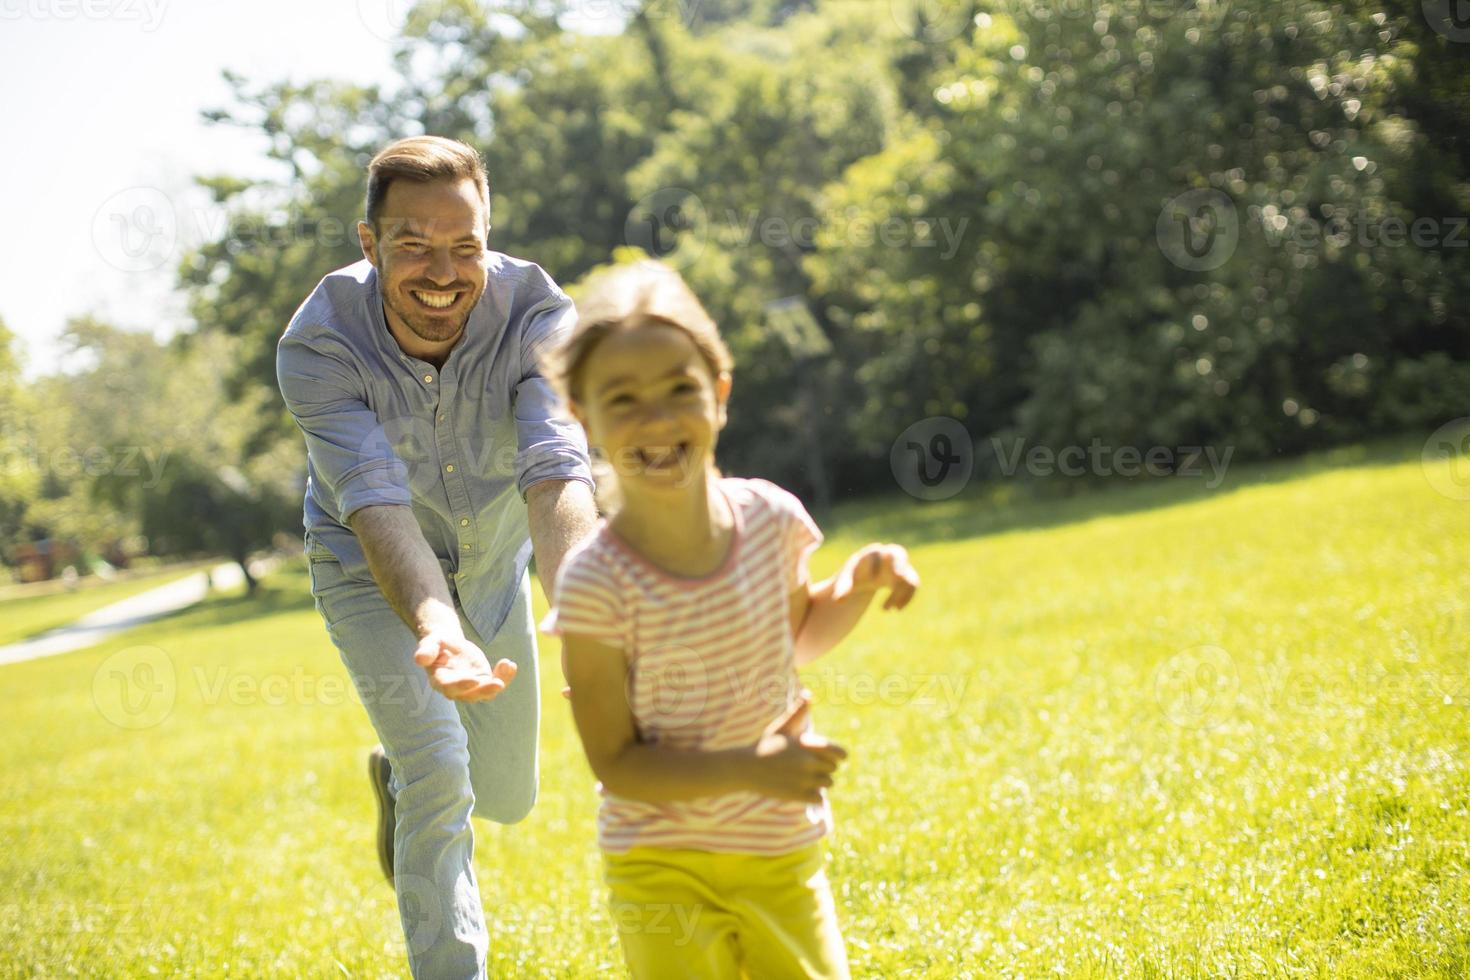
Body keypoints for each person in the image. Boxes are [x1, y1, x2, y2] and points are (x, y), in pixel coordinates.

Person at [539, 260, 920, 978]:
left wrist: (857, 583)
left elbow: (798, 637)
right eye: (623, 399)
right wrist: (750, 769)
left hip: (778, 845)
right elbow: (616, 765)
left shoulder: (771, 520)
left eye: (680, 389)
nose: (656, 418)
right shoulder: (594, 582)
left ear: (719, 395)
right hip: (659, 865)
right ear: (584, 419)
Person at [275, 135, 598, 979]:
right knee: (441, 770)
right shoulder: (318, 346)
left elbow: (556, 468)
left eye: (465, 247)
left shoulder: (538, 315)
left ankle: (396, 780)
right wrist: (435, 627)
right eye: (412, 245)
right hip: (367, 572)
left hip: (494, 562)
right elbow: (375, 503)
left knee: (507, 797)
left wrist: (591, 612)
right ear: (370, 242)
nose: (443, 272)